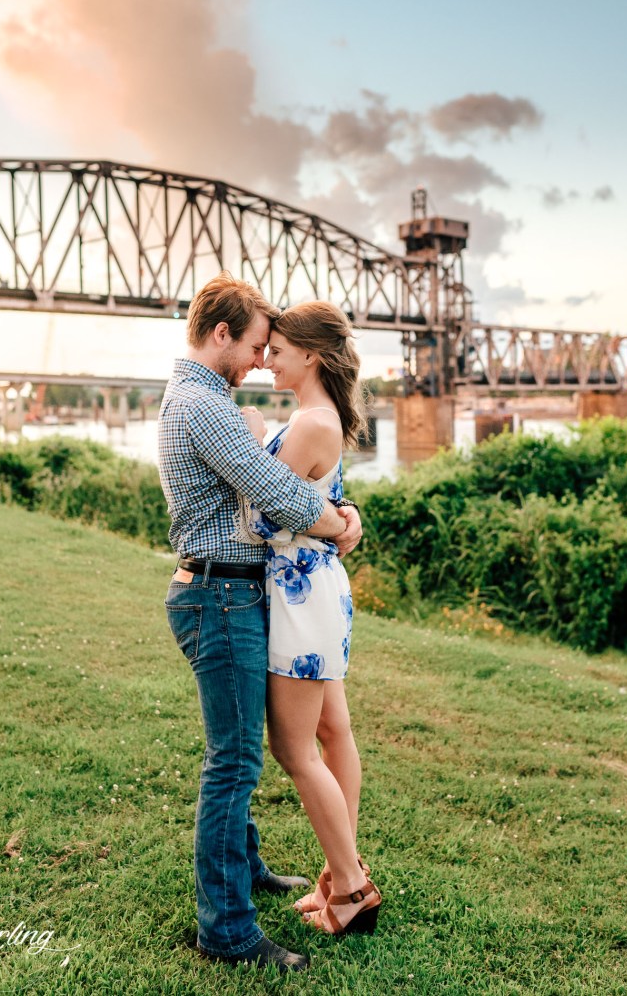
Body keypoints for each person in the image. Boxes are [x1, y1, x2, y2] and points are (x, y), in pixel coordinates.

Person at [158, 272, 362, 974]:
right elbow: (275, 488)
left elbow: (286, 480)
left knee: (240, 752)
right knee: (236, 761)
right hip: (220, 594)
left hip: (233, 589)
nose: (257, 359)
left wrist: (338, 514)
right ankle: (228, 932)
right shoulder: (204, 404)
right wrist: (341, 523)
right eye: (252, 345)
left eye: (269, 349)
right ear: (221, 335)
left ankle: (245, 872)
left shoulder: (205, 399)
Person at [243, 301, 382, 938]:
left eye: (277, 350)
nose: (266, 359)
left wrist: (244, 442)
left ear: (311, 357)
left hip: (299, 598)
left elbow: (264, 517)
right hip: (315, 589)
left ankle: (351, 889)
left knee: (294, 748)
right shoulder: (316, 418)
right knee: (333, 732)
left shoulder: (309, 424)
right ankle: (336, 873)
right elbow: (315, 499)